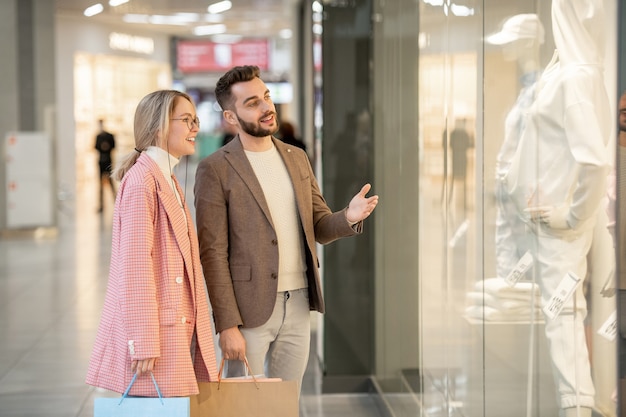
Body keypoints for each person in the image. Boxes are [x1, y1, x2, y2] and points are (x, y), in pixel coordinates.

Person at [194, 65, 379, 394]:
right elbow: (212, 254)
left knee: (285, 403)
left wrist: (348, 217)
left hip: (298, 304)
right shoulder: (215, 169)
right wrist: (226, 324)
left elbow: (319, 225)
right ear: (231, 117)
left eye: (266, 97)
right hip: (247, 310)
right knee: (244, 408)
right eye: (252, 103)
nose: (267, 107)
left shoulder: (297, 157)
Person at [503, 1, 610, 415]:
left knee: (564, 329)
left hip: (556, 233)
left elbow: (595, 161)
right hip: (543, 228)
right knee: (562, 328)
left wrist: (570, 214)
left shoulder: (576, 78)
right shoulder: (567, 71)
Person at [86, 90, 218, 397]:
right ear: (158, 127)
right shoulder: (142, 182)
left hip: (173, 327)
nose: (195, 127)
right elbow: (134, 268)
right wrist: (142, 341)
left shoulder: (166, 178)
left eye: (195, 119)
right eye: (186, 120)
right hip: (155, 338)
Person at [486, 13, 545, 280]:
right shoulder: (527, 91)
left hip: (524, 195)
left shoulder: (542, 89)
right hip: (512, 193)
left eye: (513, 41)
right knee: (509, 272)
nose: (506, 48)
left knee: (526, 271)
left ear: (528, 43)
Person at [94, 119, 116, 212]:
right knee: (100, 185)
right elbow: (95, 147)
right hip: (101, 162)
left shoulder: (109, 136)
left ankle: (116, 202)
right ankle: (101, 205)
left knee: (111, 184)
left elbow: (114, 146)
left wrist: (107, 147)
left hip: (108, 162)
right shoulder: (98, 136)